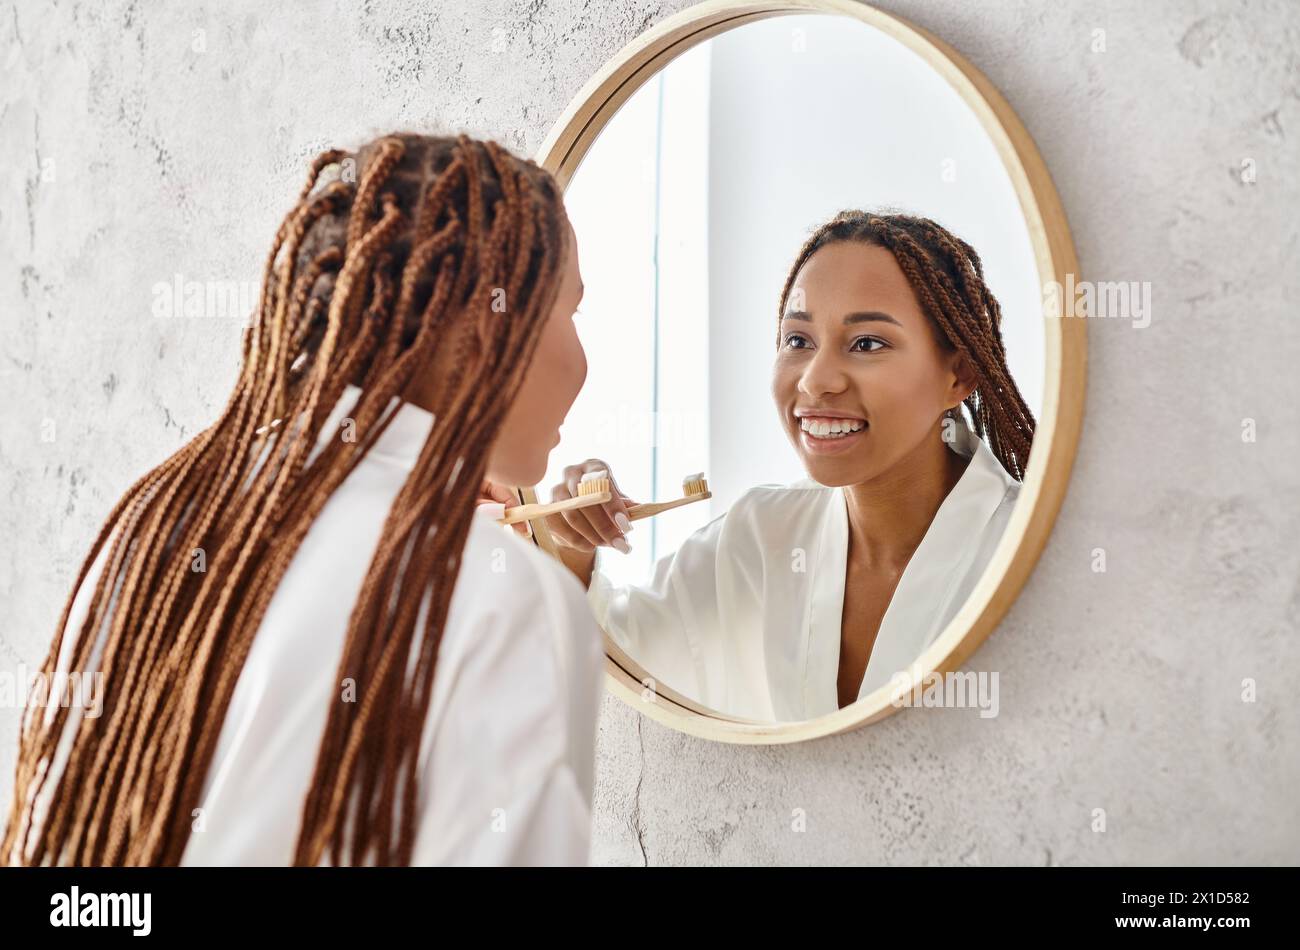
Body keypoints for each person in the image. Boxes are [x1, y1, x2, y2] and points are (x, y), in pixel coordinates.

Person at [3, 132, 604, 866]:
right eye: (572, 312)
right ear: (485, 326)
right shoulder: (505, 601)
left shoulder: (152, 529)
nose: (583, 360)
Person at [545, 212, 1033, 722]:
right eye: (798, 341)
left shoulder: (1030, 555)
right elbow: (616, 663)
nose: (816, 381)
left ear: (959, 374)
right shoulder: (760, 535)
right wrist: (568, 548)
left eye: (867, 343)